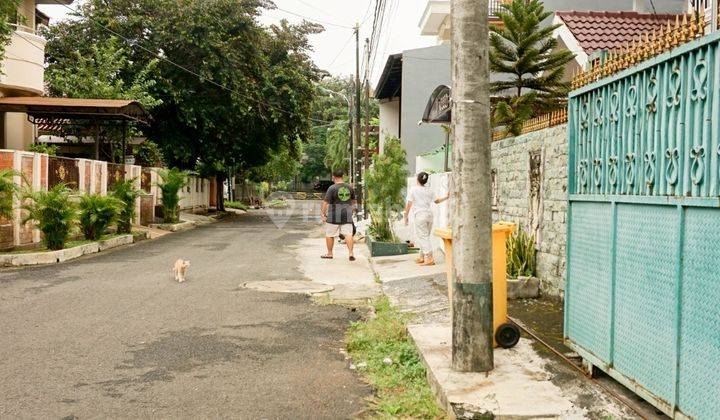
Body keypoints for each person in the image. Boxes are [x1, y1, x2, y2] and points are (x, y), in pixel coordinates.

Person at [404, 172, 449, 266]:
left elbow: (409, 203)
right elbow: (437, 201)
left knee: (423, 237)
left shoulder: (413, 189)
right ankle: (422, 257)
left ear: (417, 179)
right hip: (429, 215)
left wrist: (406, 216)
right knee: (424, 237)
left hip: (420, 215)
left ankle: (429, 258)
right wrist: (447, 197)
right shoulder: (430, 190)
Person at [321, 169, 356, 261]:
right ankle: (351, 253)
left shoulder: (332, 188)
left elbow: (325, 202)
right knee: (348, 234)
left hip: (333, 214)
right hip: (346, 213)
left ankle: (329, 253)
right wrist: (352, 211)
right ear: (342, 176)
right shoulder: (349, 187)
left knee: (329, 234)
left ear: (333, 177)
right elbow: (353, 201)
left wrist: (323, 214)